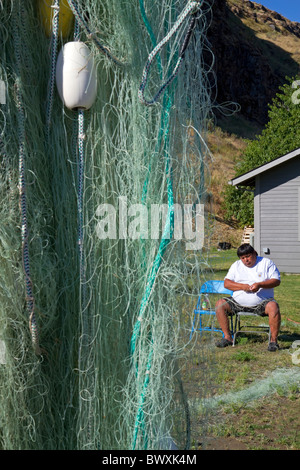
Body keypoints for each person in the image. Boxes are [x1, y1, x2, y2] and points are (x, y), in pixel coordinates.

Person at [215, 243, 281, 351]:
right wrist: (242, 287)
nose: (246, 260)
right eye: (243, 258)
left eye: (248, 256)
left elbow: (276, 281)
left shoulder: (266, 263)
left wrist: (260, 284)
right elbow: (226, 283)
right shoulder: (236, 265)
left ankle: (273, 341)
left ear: (254, 253)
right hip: (238, 302)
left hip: (262, 303)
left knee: (273, 306)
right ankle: (228, 338)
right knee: (220, 304)